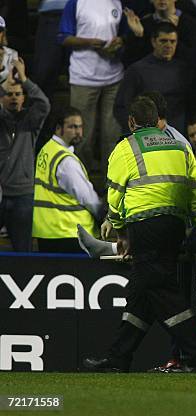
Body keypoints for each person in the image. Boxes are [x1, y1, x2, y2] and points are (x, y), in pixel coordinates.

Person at [83, 96, 196, 373]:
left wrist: (120, 233)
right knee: (141, 295)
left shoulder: (125, 148)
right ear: (158, 121)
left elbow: (115, 195)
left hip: (144, 227)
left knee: (162, 292)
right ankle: (118, 359)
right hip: (175, 227)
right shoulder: (181, 147)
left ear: (131, 121)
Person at [59, 0, 125, 173]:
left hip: (114, 77)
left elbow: (124, 35)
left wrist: (119, 42)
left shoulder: (117, 2)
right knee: (81, 135)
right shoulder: (76, 3)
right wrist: (89, 42)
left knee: (111, 135)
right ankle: (82, 182)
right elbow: (63, 37)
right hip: (83, 78)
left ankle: (110, 184)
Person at [33, 107, 104, 253]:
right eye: (72, 127)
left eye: (80, 127)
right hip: (70, 233)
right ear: (59, 128)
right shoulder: (66, 161)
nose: (78, 132)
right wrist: (102, 216)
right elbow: (88, 198)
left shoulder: (47, 149)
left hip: (48, 230)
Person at [0, 58, 51, 252]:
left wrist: (24, 78)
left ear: (23, 98)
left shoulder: (30, 122)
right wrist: (3, 84)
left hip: (23, 195)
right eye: (9, 94)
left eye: (18, 94)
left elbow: (44, 104)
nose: (14, 97)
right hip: (0, 193)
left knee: (23, 250)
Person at [115, 22, 192, 133]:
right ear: (153, 42)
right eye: (163, 41)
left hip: (177, 134)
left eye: (172, 41)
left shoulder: (183, 70)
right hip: (146, 135)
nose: (168, 45)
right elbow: (121, 107)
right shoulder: (137, 70)